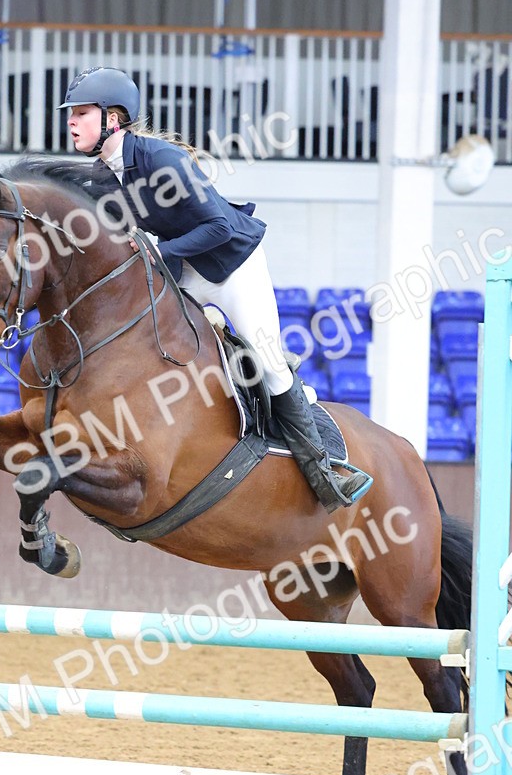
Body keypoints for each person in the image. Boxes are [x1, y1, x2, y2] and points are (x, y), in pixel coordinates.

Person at [58, 66, 371, 514]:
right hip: (183, 268)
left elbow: (219, 226)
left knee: (268, 363)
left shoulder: (163, 160)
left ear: (114, 118)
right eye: (71, 113)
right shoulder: (103, 176)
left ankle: (324, 467)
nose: (71, 121)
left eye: (82, 113)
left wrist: (156, 249)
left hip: (231, 267)